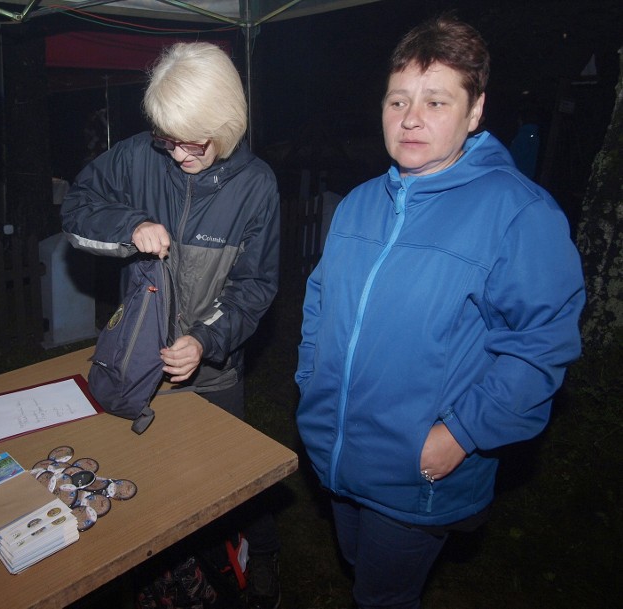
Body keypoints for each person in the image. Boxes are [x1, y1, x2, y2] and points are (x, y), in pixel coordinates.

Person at [295, 15, 584, 609]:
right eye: (398, 99)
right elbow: (320, 301)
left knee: (381, 596)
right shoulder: (357, 204)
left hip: (416, 474)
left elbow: (541, 345)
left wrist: (461, 434)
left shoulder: (519, 213)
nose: (410, 117)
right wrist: (309, 382)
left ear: (474, 112)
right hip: (338, 451)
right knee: (356, 567)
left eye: (435, 100)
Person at [61, 42, 282, 609]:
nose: (178, 153)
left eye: (193, 140)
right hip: (137, 363)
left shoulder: (256, 186)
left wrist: (207, 340)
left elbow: (255, 287)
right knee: (153, 496)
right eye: (169, 138)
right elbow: (77, 206)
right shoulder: (139, 157)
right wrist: (130, 224)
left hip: (213, 374)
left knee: (232, 493)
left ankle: (259, 568)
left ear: (226, 125)